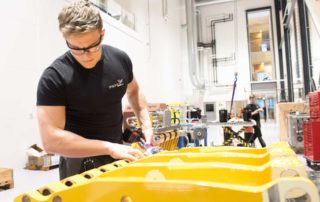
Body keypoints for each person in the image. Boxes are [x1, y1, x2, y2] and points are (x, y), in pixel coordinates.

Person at [36, 0, 153, 180]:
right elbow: (51, 140)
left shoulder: (120, 60)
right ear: (65, 39)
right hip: (78, 163)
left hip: (119, 153)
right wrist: (107, 147)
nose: (85, 55)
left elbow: (134, 91)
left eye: (92, 46)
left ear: (102, 34)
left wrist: (146, 124)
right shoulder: (54, 77)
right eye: (76, 48)